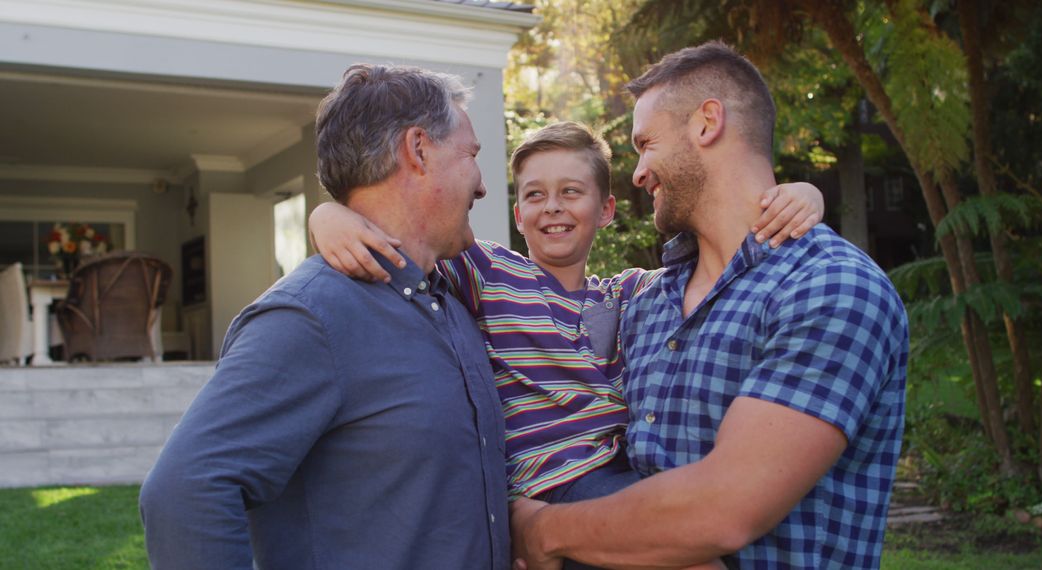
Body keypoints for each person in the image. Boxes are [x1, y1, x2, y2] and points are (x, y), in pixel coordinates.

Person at [310, 121, 823, 568]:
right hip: (547, 481)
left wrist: (806, 195)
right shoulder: (488, 271)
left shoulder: (629, 293)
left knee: (693, 535)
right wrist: (327, 218)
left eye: (571, 192)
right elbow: (399, 234)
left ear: (605, 210)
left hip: (621, 471)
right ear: (517, 214)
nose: (552, 207)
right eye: (534, 195)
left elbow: (715, 265)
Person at [510, 41, 909, 570]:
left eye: (646, 143)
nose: (637, 172)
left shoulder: (830, 286)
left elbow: (725, 510)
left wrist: (539, 530)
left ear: (707, 123)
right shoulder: (645, 303)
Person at [138, 63, 508, 569]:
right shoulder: (310, 317)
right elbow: (185, 493)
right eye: (472, 155)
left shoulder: (458, 295)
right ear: (418, 149)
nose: (483, 185)